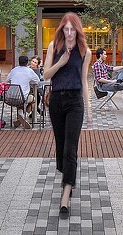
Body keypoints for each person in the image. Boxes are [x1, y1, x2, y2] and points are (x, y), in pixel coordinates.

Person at [43, 12, 92, 216]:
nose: (70, 33)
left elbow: (84, 80)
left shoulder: (84, 51)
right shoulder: (53, 47)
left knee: (71, 148)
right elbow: (45, 75)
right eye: (66, 29)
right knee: (61, 147)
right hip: (56, 101)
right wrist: (61, 62)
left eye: (73, 29)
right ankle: (68, 178)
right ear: (62, 29)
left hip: (74, 102)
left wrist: (89, 108)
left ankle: (66, 195)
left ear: (78, 30)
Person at [92, 48, 123, 113]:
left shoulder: (102, 64)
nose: (106, 56)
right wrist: (111, 81)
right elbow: (99, 79)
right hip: (104, 86)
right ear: (101, 55)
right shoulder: (97, 64)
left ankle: (118, 82)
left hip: (109, 82)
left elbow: (113, 68)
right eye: (105, 54)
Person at [5, 55, 41, 129]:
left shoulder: (14, 70)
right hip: (21, 99)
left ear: (19, 62)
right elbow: (37, 81)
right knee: (34, 100)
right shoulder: (29, 71)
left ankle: (20, 118)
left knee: (19, 98)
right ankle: (24, 115)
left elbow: (7, 80)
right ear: (27, 62)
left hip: (9, 98)